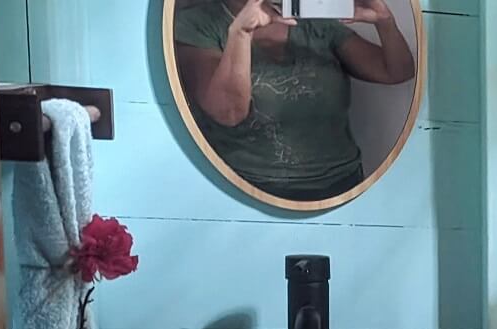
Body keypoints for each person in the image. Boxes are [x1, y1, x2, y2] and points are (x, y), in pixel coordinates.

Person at [173, 0, 416, 202]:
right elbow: (228, 112)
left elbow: (396, 71)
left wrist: (385, 22)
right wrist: (241, 33)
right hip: (246, 192)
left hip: (342, 188)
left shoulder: (313, 21)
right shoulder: (197, 24)